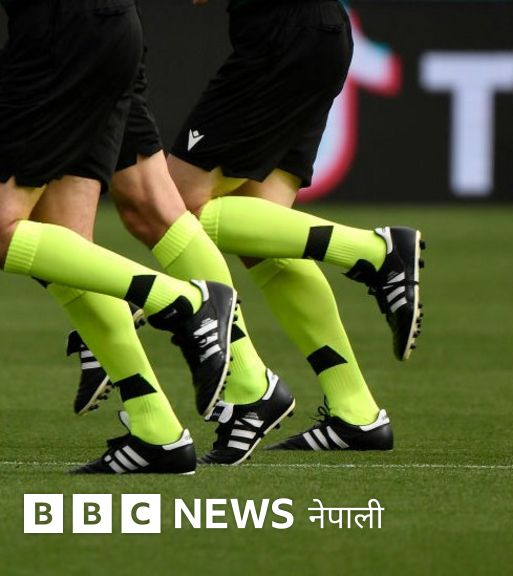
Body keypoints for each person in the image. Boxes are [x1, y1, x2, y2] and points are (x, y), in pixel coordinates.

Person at [168, 0, 425, 451]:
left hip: (282, 33)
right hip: (316, 31)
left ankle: (374, 252)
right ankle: (356, 411)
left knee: (173, 206)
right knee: (263, 237)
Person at [0, 0, 237, 474]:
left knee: (4, 228)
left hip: (61, 33)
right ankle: (157, 432)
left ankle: (185, 301)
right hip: (102, 29)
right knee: (65, 248)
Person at [63, 47, 296, 468]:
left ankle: (167, 305)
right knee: (146, 209)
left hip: (68, 41)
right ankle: (213, 397)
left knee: (20, 227)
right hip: (101, 37)